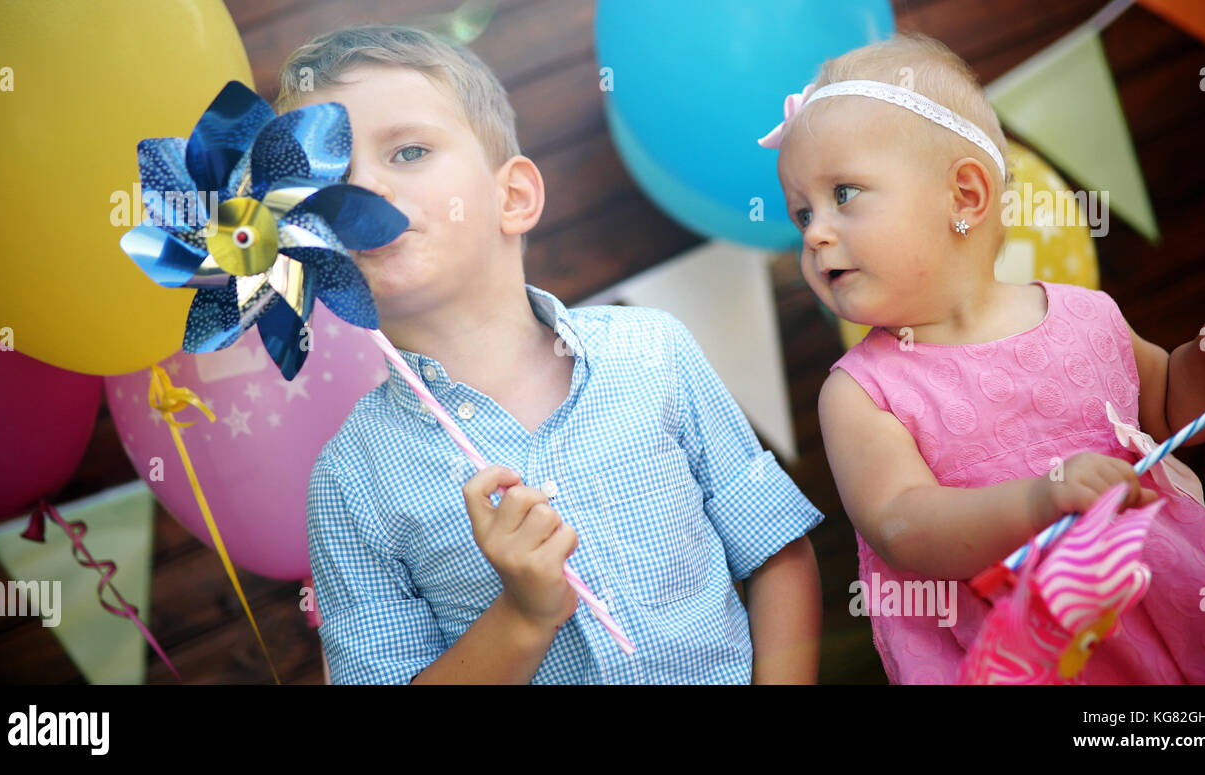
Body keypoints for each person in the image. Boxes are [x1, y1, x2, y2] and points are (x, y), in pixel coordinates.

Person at [297, 25, 824, 684]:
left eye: (407, 151)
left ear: (512, 198)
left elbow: (775, 551)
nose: (361, 190)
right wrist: (522, 615)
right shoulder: (350, 480)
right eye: (326, 179)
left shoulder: (653, 349)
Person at [761, 32, 1205, 683]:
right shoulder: (862, 391)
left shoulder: (1087, 314)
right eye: (802, 213)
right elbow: (901, 522)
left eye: (844, 194)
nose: (816, 231)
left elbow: (1166, 405)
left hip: (1166, 606)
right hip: (1025, 657)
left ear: (965, 198)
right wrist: (1037, 502)